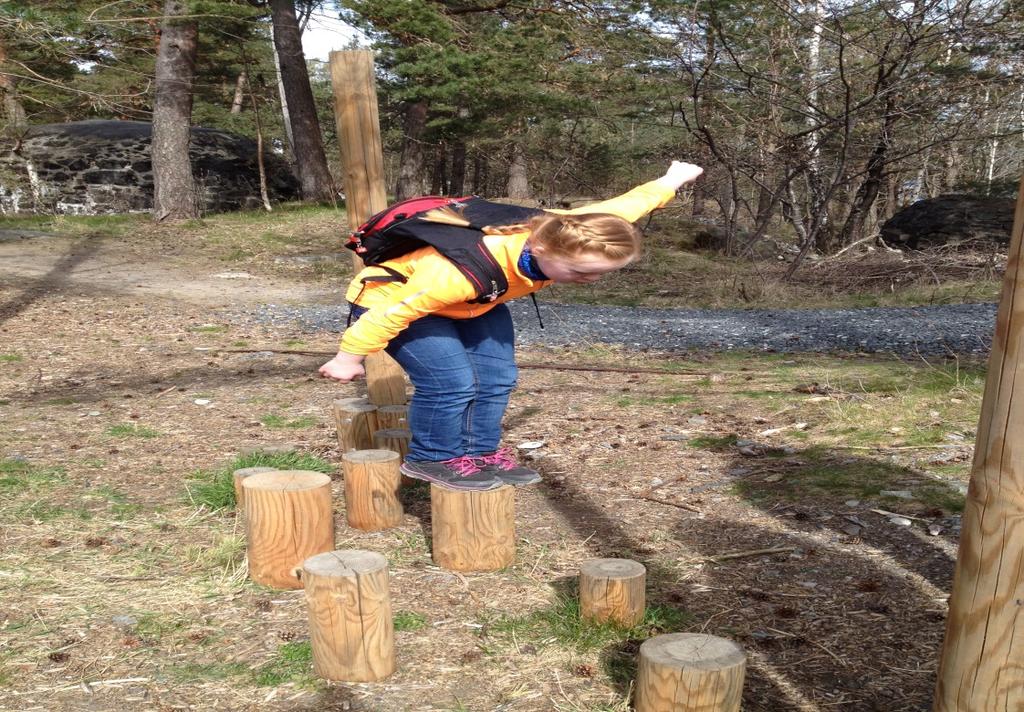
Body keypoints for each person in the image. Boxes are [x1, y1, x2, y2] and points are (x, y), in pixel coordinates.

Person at [320, 160, 704, 491]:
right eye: (580, 273)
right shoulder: (456, 273)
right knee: (450, 382)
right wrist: (347, 357)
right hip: (394, 301)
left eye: (601, 274)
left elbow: (627, 205)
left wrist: (672, 180)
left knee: (497, 378)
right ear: (540, 248)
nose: (591, 280)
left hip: (475, 304)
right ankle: (432, 457)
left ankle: (479, 451)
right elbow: (393, 315)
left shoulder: (572, 229)